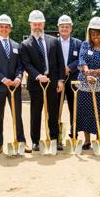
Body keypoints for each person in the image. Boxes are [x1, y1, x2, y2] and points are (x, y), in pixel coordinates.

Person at [20, 10, 66, 152]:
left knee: (53, 112)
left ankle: (54, 139)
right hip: (36, 84)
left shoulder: (53, 41)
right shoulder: (25, 44)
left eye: (40, 23)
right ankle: (35, 141)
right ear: (30, 25)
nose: (37, 26)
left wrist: (60, 80)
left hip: (52, 83)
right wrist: (38, 76)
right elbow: (26, 64)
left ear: (44, 24)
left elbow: (60, 61)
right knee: (35, 113)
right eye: (35, 24)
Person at [0, 14, 30, 155]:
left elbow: (20, 65)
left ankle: (21, 141)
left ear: (10, 29)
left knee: (17, 115)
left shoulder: (17, 45)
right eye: (1, 26)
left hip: (14, 86)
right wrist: (4, 79)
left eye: (6, 27)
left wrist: (18, 77)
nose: (4, 29)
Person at [76, 17, 100, 149]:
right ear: (89, 34)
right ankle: (87, 141)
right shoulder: (85, 45)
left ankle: (98, 139)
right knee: (86, 112)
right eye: (92, 34)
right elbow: (82, 60)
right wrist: (88, 73)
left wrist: (95, 72)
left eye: (98, 33)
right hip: (86, 85)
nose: (95, 36)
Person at [57, 15, 82, 140]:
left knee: (74, 109)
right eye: (62, 27)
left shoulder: (78, 43)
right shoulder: (53, 42)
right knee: (56, 109)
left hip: (73, 80)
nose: (64, 29)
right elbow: (51, 60)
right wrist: (62, 69)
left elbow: (81, 59)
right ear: (59, 28)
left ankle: (74, 134)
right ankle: (56, 135)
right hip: (59, 81)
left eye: (67, 26)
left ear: (71, 28)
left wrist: (69, 68)